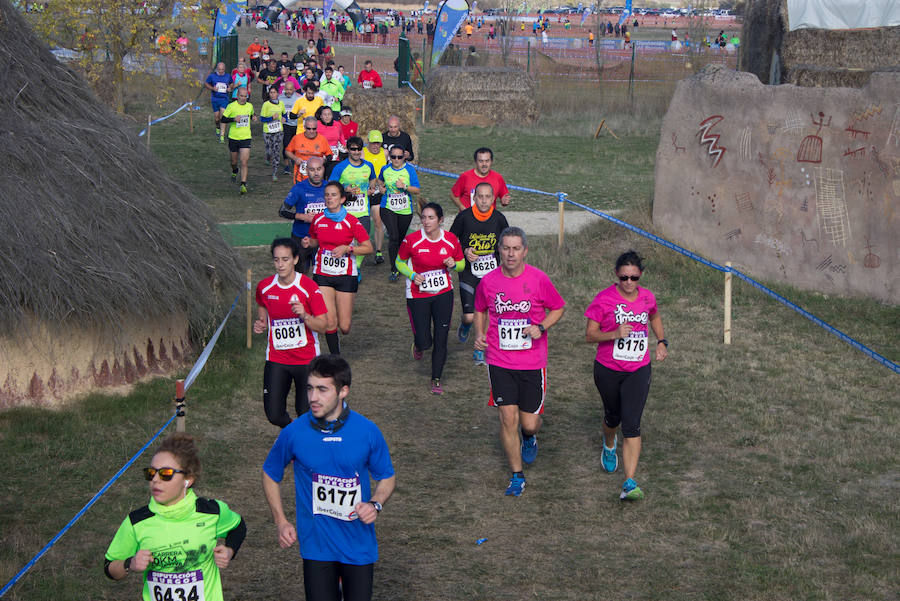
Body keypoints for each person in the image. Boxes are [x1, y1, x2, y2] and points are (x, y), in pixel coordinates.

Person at [263, 354, 395, 601]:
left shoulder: (366, 431)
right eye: (310, 388)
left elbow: (386, 476)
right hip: (317, 547)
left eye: (322, 390)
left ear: (343, 391)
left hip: (358, 546)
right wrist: (280, 521)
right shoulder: (294, 432)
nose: (313, 397)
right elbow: (270, 473)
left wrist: (375, 504)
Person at [473, 227, 566, 496]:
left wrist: (542, 326)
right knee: (507, 419)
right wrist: (479, 334)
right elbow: (479, 308)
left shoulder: (538, 279)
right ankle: (517, 475)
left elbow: (558, 307)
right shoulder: (488, 281)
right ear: (499, 250)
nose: (510, 254)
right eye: (506, 248)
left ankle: (529, 437)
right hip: (499, 360)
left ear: (525, 251)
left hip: (532, 362)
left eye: (516, 248)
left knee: (528, 423)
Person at [104, 433, 246, 601]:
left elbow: (238, 526)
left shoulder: (211, 512)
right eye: (151, 473)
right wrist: (130, 564)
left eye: (166, 474)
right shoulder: (137, 522)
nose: (155, 480)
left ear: (188, 480)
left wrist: (229, 550)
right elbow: (109, 568)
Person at [584, 250, 668, 501]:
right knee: (613, 417)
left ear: (640, 275)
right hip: (608, 369)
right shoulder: (604, 299)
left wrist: (662, 341)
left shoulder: (647, 297)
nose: (629, 282)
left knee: (632, 424)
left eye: (634, 277)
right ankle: (609, 444)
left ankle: (629, 482)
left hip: (638, 369)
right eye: (624, 277)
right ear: (617, 276)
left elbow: (654, 314)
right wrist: (614, 334)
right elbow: (590, 335)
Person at [254, 238, 329, 427]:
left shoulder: (309, 288)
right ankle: (294, 431)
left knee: (305, 412)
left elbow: (323, 325)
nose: (280, 264)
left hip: (306, 360)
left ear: (295, 259)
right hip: (277, 358)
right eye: (276, 260)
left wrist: (304, 315)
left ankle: (301, 447)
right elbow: (262, 303)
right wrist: (261, 322)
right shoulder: (265, 287)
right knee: (274, 415)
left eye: (285, 259)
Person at [396, 203, 464, 394]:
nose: (426, 222)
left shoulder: (451, 240)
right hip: (417, 294)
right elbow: (399, 262)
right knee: (425, 341)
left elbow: (461, 264)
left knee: (441, 338)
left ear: (440, 220)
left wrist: (454, 263)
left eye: (431, 218)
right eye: (424, 217)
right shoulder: (412, 240)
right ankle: (419, 344)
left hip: (443, 293)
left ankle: (436, 379)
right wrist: (412, 275)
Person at [301, 182, 374, 354]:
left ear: (342, 199)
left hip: (346, 275)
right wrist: (308, 242)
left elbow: (368, 248)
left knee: (345, 326)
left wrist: (348, 249)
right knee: (329, 322)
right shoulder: (318, 219)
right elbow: (315, 240)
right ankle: (335, 358)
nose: (329, 198)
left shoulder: (351, 222)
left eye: (333, 195)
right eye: (327, 195)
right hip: (322, 274)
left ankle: (338, 348)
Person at [449, 181, 509, 364]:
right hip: (469, 272)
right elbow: (451, 241)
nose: (484, 201)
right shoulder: (464, 217)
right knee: (469, 315)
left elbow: (508, 242)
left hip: (492, 274)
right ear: (474, 198)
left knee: (486, 311)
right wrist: (465, 251)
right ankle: (466, 324)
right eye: (480, 197)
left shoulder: (499, 218)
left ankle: (479, 350)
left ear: (493, 199)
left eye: (488, 197)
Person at [330, 136, 378, 274]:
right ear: (348, 149)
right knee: (344, 241)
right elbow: (331, 186)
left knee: (363, 241)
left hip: (363, 211)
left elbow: (372, 178)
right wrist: (344, 188)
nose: (356, 152)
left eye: (358, 149)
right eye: (353, 149)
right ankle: (344, 266)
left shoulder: (368, 166)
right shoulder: (340, 167)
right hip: (344, 212)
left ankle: (356, 267)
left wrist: (372, 187)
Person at [377, 147, 420, 282]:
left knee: (400, 239)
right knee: (394, 236)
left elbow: (417, 190)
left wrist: (405, 187)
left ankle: (401, 262)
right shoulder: (385, 169)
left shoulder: (409, 170)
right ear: (389, 157)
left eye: (399, 157)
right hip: (387, 207)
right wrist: (381, 188)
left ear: (404, 157)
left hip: (405, 209)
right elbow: (380, 181)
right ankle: (394, 269)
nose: (396, 159)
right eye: (393, 157)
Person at [280, 156, 327, 273]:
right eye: (312, 170)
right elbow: (282, 211)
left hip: (323, 238)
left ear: (323, 169)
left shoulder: (329, 187)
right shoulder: (299, 188)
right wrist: (302, 216)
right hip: (300, 237)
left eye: (319, 169)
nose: (316, 173)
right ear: (307, 171)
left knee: (323, 276)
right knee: (300, 276)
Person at [220, 87, 258, 195]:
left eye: (245, 96)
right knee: (234, 162)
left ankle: (243, 184)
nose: (243, 98)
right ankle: (234, 170)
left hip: (246, 137)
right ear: (237, 96)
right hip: (233, 137)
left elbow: (251, 114)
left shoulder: (250, 106)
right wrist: (233, 119)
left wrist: (254, 117)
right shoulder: (231, 106)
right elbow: (223, 119)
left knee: (244, 161)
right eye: (241, 96)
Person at [363, 131, 388, 265]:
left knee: (378, 222)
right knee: (361, 224)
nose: (375, 146)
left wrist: (381, 183)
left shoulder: (384, 153)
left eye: (377, 143)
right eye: (373, 142)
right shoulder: (361, 153)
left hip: (378, 192)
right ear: (368, 141)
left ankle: (378, 251)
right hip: (364, 193)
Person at [285, 116, 332, 184]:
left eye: (314, 129)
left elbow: (330, 155)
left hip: (317, 177)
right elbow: (287, 151)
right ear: (304, 127)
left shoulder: (322, 139)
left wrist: (324, 160)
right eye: (308, 129)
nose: (311, 131)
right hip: (300, 176)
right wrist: (295, 158)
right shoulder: (297, 138)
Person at [261, 86, 287, 181]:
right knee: (270, 150)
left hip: (278, 130)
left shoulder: (281, 104)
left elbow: (284, 115)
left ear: (278, 94)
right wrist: (271, 118)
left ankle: (274, 172)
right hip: (268, 131)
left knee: (276, 151)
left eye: (274, 92)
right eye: (271, 92)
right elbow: (262, 119)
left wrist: (285, 119)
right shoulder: (266, 104)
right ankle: (267, 156)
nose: (272, 94)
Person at [315, 105, 346, 177]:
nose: (327, 116)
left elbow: (341, 136)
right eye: (325, 114)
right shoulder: (316, 125)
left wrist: (344, 145)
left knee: (332, 177)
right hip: (320, 156)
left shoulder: (337, 124)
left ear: (332, 115)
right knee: (319, 179)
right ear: (320, 116)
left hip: (334, 157)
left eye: (329, 114)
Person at [204, 62, 232, 142]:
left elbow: (231, 83)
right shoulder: (212, 76)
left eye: (222, 69)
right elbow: (206, 83)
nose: (221, 71)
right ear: (217, 69)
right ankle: (217, 127)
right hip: (215, 99)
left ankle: (222, 136)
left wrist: (230, 87)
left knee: (222, 116)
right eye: (219, 69)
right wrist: (212, 88)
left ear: (224, 69)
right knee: (217, 118)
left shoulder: (227, 76)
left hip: (224, 99)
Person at [279, 81, 302, 175]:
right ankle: (287, 166)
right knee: (286, 145)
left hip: (297, 125)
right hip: (286, 125)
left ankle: (294, 161)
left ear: (294, 89)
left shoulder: (299, 98)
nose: (288, 91)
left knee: (297, 146)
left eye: (290, 89)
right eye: (286, 89)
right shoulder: (280, 97)